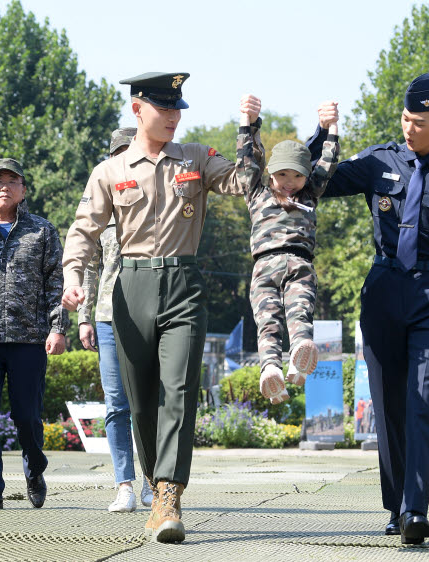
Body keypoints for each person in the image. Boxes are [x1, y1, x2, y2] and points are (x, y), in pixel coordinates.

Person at [61, 72, 264, 543]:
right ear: (138, 109)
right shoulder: (109, 171)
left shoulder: (194, 156)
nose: (173, 117)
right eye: (164, 108)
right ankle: (156, 482)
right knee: (141, 400)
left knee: (179, 390)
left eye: (178, 109)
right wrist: (73, 278)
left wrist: (248, 128)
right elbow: (83, 231)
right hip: (129, 289)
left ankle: (170, 493)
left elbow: (244, 182)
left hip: (183, 286)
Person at [305, 73, 429, 544]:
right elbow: (317, 183)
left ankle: (416, 509)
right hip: (383, 291)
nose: (409, 128)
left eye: (419, 122)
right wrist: (321, 135)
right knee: (389, 405)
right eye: (405, 119)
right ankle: (394, 504)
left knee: (421, 400)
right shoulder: (379, 161)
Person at [0, 158, 67, 511]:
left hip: (28, 339)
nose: (4, 186)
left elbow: (56, 283)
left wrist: (57, 327)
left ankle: (35, 466)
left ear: (23, 189)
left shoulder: (42, 231)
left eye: (12, 180)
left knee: (27, 415)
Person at [78, 127, 154, 512]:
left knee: (148, 402)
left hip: (151, 314)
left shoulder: (159, 202)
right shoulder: (98, 209)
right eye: (119, 154)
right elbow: (90, 267)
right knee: (116, 404)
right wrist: (83, 317)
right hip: (109, 315)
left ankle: (153, 482)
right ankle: (124, 483)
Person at [250, 107, 340, 404]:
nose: (289, 182)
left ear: (306, 175)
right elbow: (246, 158)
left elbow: (327, 162)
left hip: (299, 264)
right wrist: (248, 122)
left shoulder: (309, 194)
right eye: (282, 175)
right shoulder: (257, 192)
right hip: (264, 267)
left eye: (297, 176)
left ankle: (300, 350)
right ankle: (271, 369)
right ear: (270, 173)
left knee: (299, 311)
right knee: (269, 320)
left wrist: (333, 128)